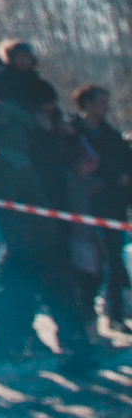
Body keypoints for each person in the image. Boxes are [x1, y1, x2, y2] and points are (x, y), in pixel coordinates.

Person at [0, 95, 91, 367]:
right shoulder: (19, 152)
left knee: (19, 292)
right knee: (49, 294)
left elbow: (2, 199)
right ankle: (76, 347)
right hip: (38, 235)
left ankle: (5, 346)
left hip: (25, 238)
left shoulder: (3, 158)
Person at [72, 86, 132, 329]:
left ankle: (115, 314)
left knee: (114, 258)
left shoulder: (111, 135)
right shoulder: (72, 132)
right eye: (100, 101)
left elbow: (125, 166)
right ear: (86, 103)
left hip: (111, 206)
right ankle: (86, 314)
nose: (105, 106)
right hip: (80, 207)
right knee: (87, 261)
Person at [0, 41, 54, 114]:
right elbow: (13, 99)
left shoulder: (34, 80)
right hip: (8, 118)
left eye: (26, 57)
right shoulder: (2, 77)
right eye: (19, 57)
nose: (24, 61)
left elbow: (49, 99)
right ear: (11, 59)